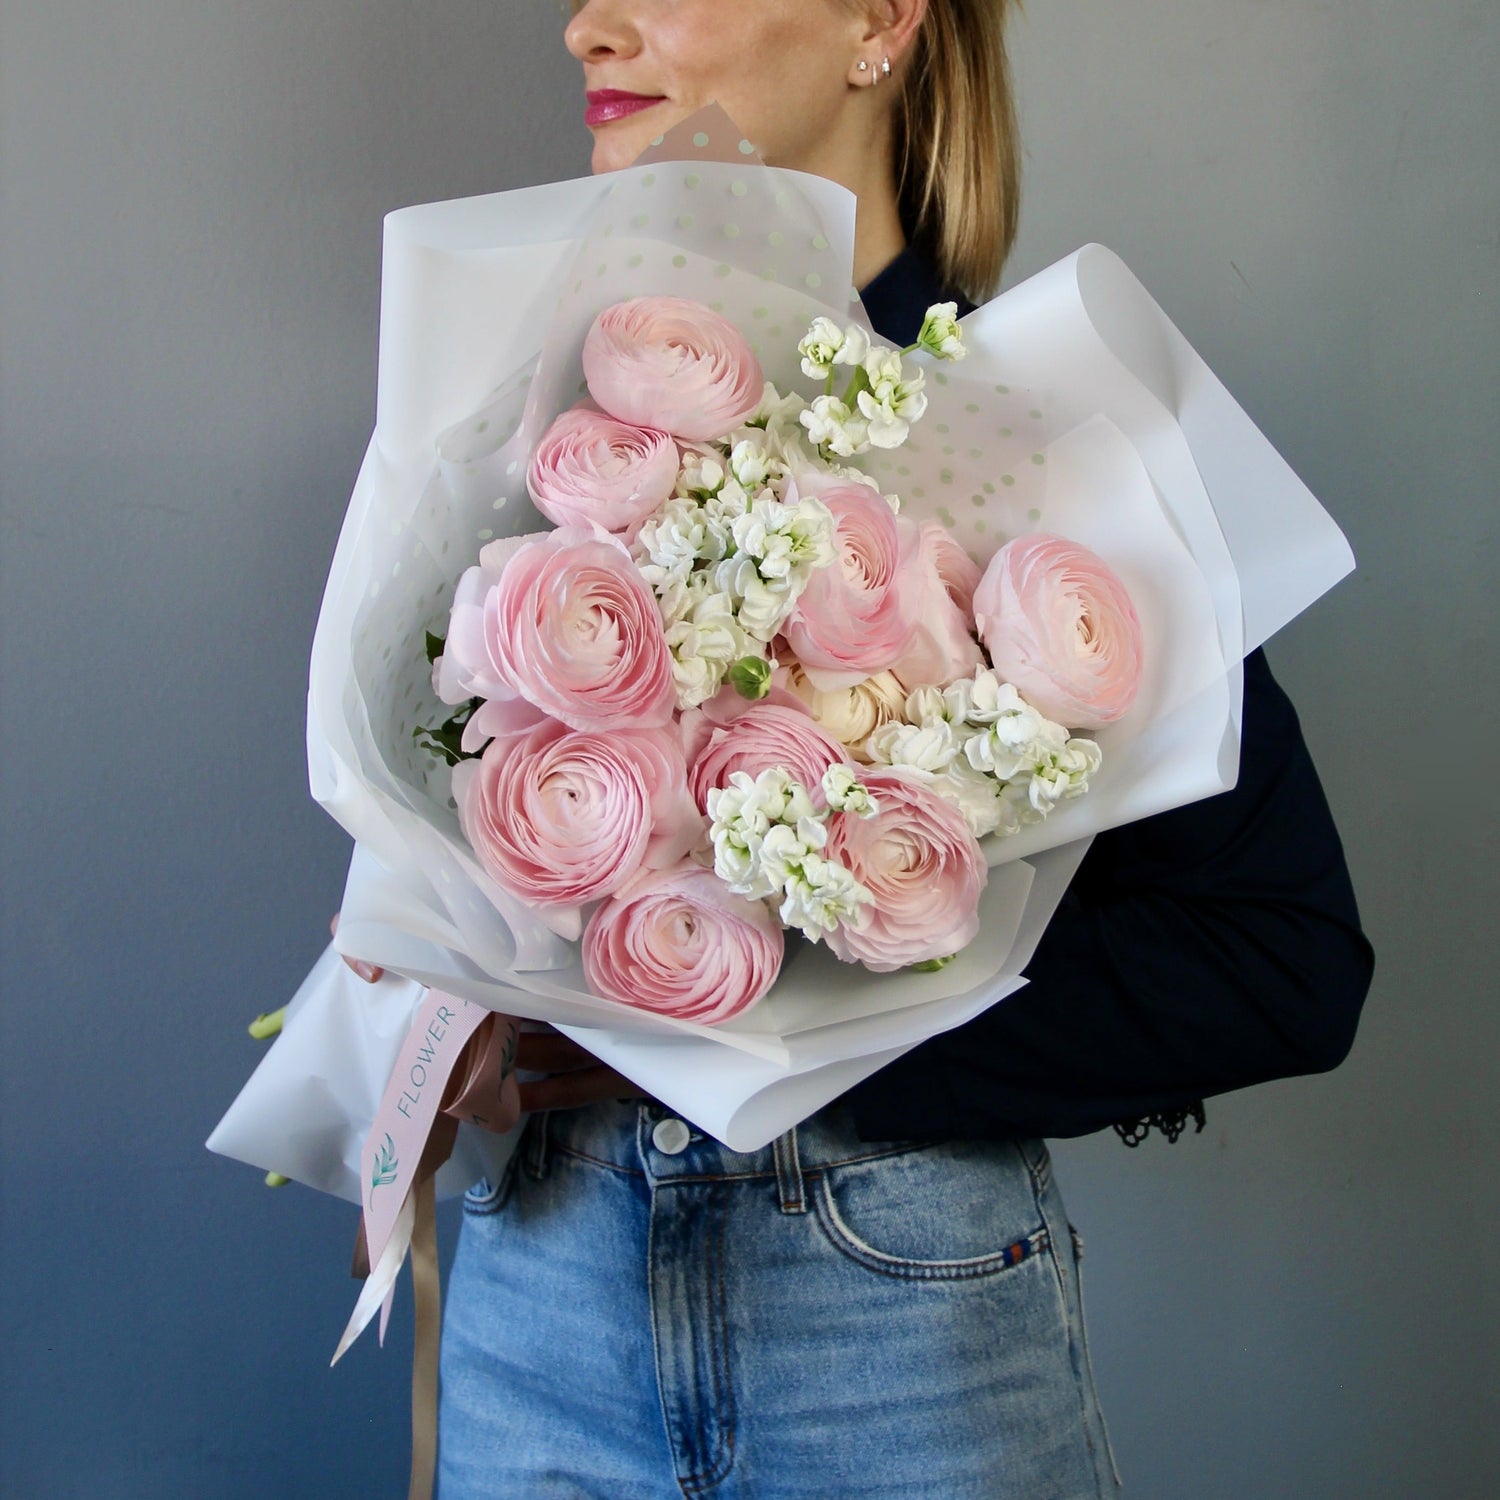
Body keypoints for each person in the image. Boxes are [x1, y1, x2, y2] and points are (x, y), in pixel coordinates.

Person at [340, 1, 1374, 1494]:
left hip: (886, 1323)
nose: (586, 25)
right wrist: (453, 1000)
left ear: (881, 21)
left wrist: (803, 994)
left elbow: (1284, 964)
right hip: (543, 1307)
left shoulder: (1033, 440)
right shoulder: (536, 438)